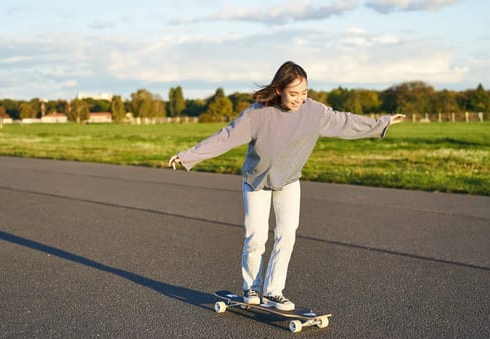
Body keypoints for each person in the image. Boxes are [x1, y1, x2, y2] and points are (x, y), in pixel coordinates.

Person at [169, 61, 405, 311]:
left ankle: (273, 291)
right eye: (294, 93)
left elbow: (346, 122)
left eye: (304, 93)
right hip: (257, 181)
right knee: (256, 237)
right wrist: (188, 156)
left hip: (289, 180)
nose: (299, 99)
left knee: (286, 234)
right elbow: (224, 137)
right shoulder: (257, 114)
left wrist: (383, 122)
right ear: (279, 89)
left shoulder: (315, 113)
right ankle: (251, 288)